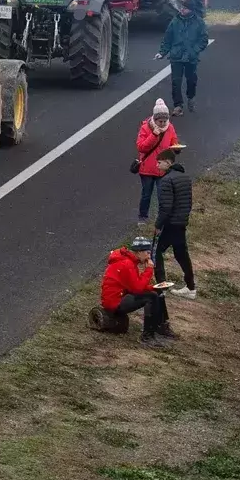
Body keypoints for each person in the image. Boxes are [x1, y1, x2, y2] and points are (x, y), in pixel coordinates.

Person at [93, 229, 173, 343]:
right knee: (151, 297)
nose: (149, 256)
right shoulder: (127, 264)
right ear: (139, 252)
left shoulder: (129, 261)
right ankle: (147, 336)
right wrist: (149, 270)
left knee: (156, 292)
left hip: (121, 295)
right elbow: (137, 288)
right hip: (115, 301)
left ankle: (161, 326)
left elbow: (133, 285)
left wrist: (154, 287)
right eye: (147, 252)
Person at [152, 145, 196, 295]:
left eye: (159, 162)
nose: (157, 165)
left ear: (168, 162)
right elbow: (188, 202)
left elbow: (166, 206)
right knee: (181, 254)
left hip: (170, 224)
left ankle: (161, 288)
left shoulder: (166, 180)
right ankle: (191, 287)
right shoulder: (185, 177)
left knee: (156, 252)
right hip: (181, 222)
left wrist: (158, 224)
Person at [159, 0, 207, 113]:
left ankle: (191, 97)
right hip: (176, 56)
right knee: (176, 82)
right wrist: (162, 52)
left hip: (191, 58)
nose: (182, 10)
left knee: (191, 80)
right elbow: (168, 38)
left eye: (185, 8)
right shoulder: (175, 21)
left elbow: (203, 40)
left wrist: (194, 50)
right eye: (182, 7)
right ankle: (178, 105)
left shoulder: (199, 23)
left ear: (191, 10)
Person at [133, 99, 179, 218]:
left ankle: (162, 218)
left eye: (165, 121)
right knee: (146, 195)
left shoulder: (170, 127)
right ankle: (143, 217)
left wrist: (176, 148)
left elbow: (173, 141)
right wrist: (154, 135)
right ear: (155, 119)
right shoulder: (145, 128)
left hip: (163, 168)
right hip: (147, 169)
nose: (163, 124)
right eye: (160, 121)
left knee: (162, 195)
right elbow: (141, 147)